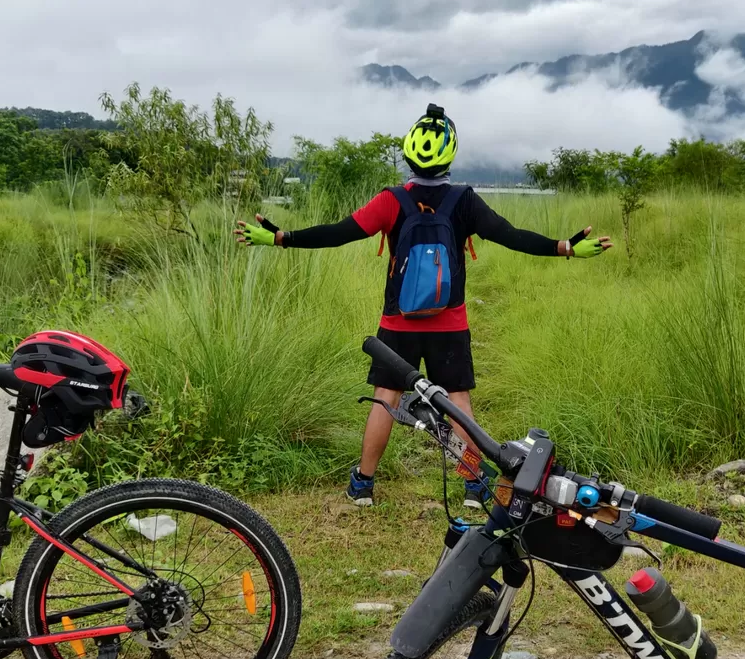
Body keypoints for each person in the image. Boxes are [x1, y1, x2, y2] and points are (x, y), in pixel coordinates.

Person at [236, 104, 610, 508]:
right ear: (450, 154)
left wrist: (281, 238)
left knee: (387, 394)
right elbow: (510, 235)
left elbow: (339, 233)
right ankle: (472, 486)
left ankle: (363, 485)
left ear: (409, 152)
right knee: (458, 399)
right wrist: (564, 247)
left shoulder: (392, 201)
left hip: (398, 320)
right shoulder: (464, 200)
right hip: (449, 321)